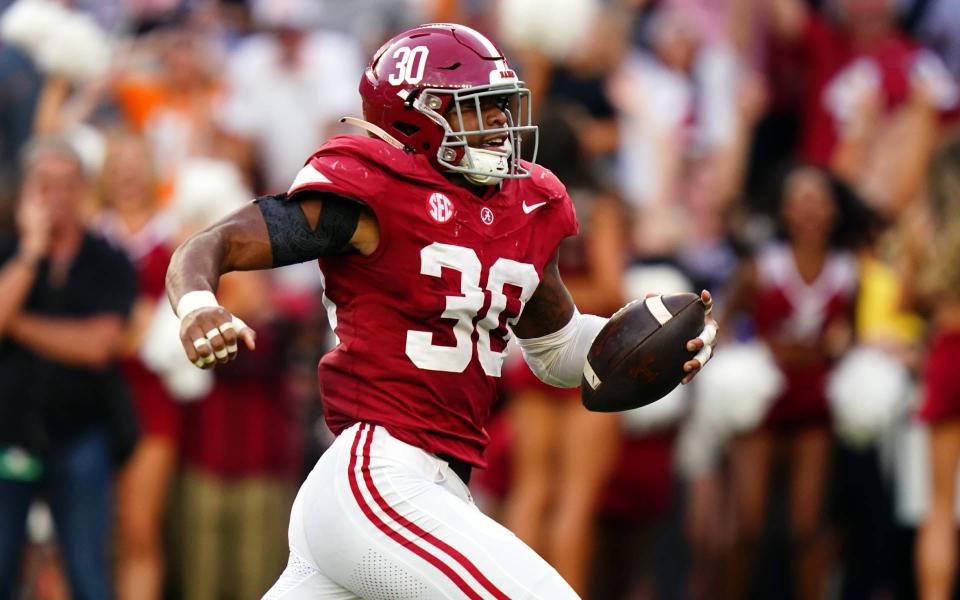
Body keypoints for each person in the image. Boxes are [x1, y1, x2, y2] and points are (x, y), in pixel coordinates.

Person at [165, 23, 718, 599]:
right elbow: (212, 244)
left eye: (504, 106)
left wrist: (647, 343)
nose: (502, 124)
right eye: (480, 108)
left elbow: (555, 350)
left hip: (431, 488)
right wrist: (199, 304)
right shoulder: (373, 189)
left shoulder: (526, 203)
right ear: (417, 118)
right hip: (380, 476)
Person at [0, 136, 137, 600]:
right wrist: (30, 251)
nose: (56, 197)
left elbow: (98, 346)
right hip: (9, 435)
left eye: (66, 184)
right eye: (44, 186)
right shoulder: (8, 252)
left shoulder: (109, 259)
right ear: (26, 193)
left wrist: (15, 323)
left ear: (83, 189)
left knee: (86, 570)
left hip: (83, 434)